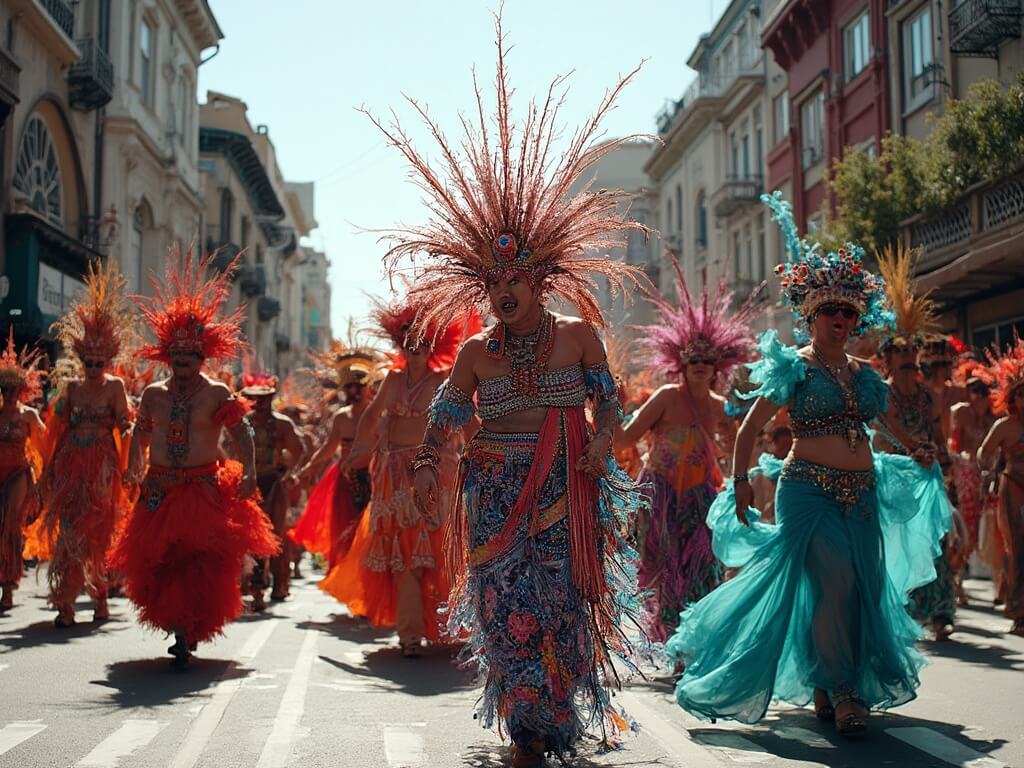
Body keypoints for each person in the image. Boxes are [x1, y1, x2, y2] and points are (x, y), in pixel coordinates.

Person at [379, 15, 650, 763]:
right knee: (503, 609)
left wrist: (600, 443)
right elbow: (447, 413)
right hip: (493, 494)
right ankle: (524, 721)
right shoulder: (474, 352)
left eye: (515, 278)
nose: (503, 290)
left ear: (540, 279)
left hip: (565, 489)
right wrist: (430, 463)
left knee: (559, 608)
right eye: (491, 281)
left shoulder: (578, 336)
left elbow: (614, 401)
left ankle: (551, 718)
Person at [668, 193, 950, 738]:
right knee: (836, 581)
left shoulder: (866, 372)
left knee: (859, 585)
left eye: (849, 312)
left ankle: (829, 679)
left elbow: (887, 423)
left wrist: (916, 446)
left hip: (862, 490)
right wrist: (744, 481)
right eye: (832, 312)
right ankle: (843, 690)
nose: (843, 320)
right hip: (807, 490)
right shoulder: (792, 368)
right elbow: (751, 429)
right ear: (811, 314)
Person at [110, 248, 278, 669]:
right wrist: (133, 463)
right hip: (159, 487)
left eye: (189, 360)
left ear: (202, 358)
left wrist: (251, 471)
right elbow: (140, 432)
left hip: (203, 488)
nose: (182, 367)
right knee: (162, 564)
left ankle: (187, 630)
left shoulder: (217, 393)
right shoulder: (153, 395)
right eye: (176, 360)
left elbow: (242, 434)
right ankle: (178, 628)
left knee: (197, 563)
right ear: (169, 359)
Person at [319, 297, 474, 657]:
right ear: (401, 346)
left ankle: (442, 626)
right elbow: (371, 420)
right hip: (395, 479)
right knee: (406, 556)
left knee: (439, 554)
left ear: (432, 345)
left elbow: (467, 420)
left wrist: (490, 453)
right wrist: (357, 454)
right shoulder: (392, 380)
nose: (415, 346)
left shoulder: (445, 380)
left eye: (422, 339)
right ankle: (409, 635)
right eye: (409, 340)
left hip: (437, 474)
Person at [616, 260, 760, 641]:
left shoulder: (718, 404)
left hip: (700, 498)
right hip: (661, 495)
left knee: (700, 567)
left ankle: (696, 636)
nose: (699, 365)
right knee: (666, 569)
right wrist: (606, 412)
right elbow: (627, 439)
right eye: (693, 360)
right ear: (681, 364)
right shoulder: (665, 397)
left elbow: (735, 447)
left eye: (706, 361)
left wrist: (742, 480)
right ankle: (674, 638)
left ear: (716, 366)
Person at [872, 244, 957, 641]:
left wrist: (942, 456)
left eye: (911, 351)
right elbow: (879, 433)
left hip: (927, 476)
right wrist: (905, 452)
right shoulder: (882, 394)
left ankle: (941, 612)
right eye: (900, 351)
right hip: (894, 477)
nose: (907, 357)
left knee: (933, 540)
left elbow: (939, 434)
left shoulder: (930, 397)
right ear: (887, 359)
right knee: (899, 544)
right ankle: (904, 610)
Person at [42, 260, 133, 627]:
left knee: (98, 531)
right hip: (70, 464)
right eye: (88, 362)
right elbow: (56, 428)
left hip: (102, 468)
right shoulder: (73, 388)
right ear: (81, 361)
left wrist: (133, 461)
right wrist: (49, 468)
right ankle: (64, 601)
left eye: (99, 362)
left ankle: (100, 596)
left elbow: (126, 426)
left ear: (107, 360)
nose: (93, 368)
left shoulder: (115, 387)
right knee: (68, 530)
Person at [291, 345, 381, 570]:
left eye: (358, 386)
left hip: (376, 478)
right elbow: (330, 448)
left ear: (368, 386)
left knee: (373, 532)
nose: (353, 392)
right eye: (348, 386)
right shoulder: (341, 417)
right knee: (345, 533)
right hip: (346, 481)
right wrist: (309, 467)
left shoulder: (379, 414)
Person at [238, 366, 305, 609]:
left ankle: (278, 583)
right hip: (248, 485)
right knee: (249, 536)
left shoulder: (283, 424)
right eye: (254, 398)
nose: (259, 403)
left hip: (274, 483)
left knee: (275, 535)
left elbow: (300, 449)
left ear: (271, 399)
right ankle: (253, 585)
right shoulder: (241, 423)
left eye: (264, 399)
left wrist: (291, 473)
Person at [977, 336, 1024, 636]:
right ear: (1013, 398)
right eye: (1022, 394)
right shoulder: (1004, 426)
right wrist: (987, 473)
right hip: (1014, 489)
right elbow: (984, 453)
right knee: (1018, 549)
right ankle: (1019, 611)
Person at [0, 334, 46, 611]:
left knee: (10, 526)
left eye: (13, 389)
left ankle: (8, 586)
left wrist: (42, 480)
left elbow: (44, 443)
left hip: (18, 474)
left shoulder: (28, 416)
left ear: (21, 390)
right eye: (4, 389)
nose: (8, 393)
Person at [949, 363, 997, 605]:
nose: (977, 396)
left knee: (991, 528)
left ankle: (1003, 584)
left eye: (982, 390)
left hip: (989, 478)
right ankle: (957, 581)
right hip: (967, 477)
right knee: (967, 527)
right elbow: (955, 448)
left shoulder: (994, 417)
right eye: (972, 390)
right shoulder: (961, 412)